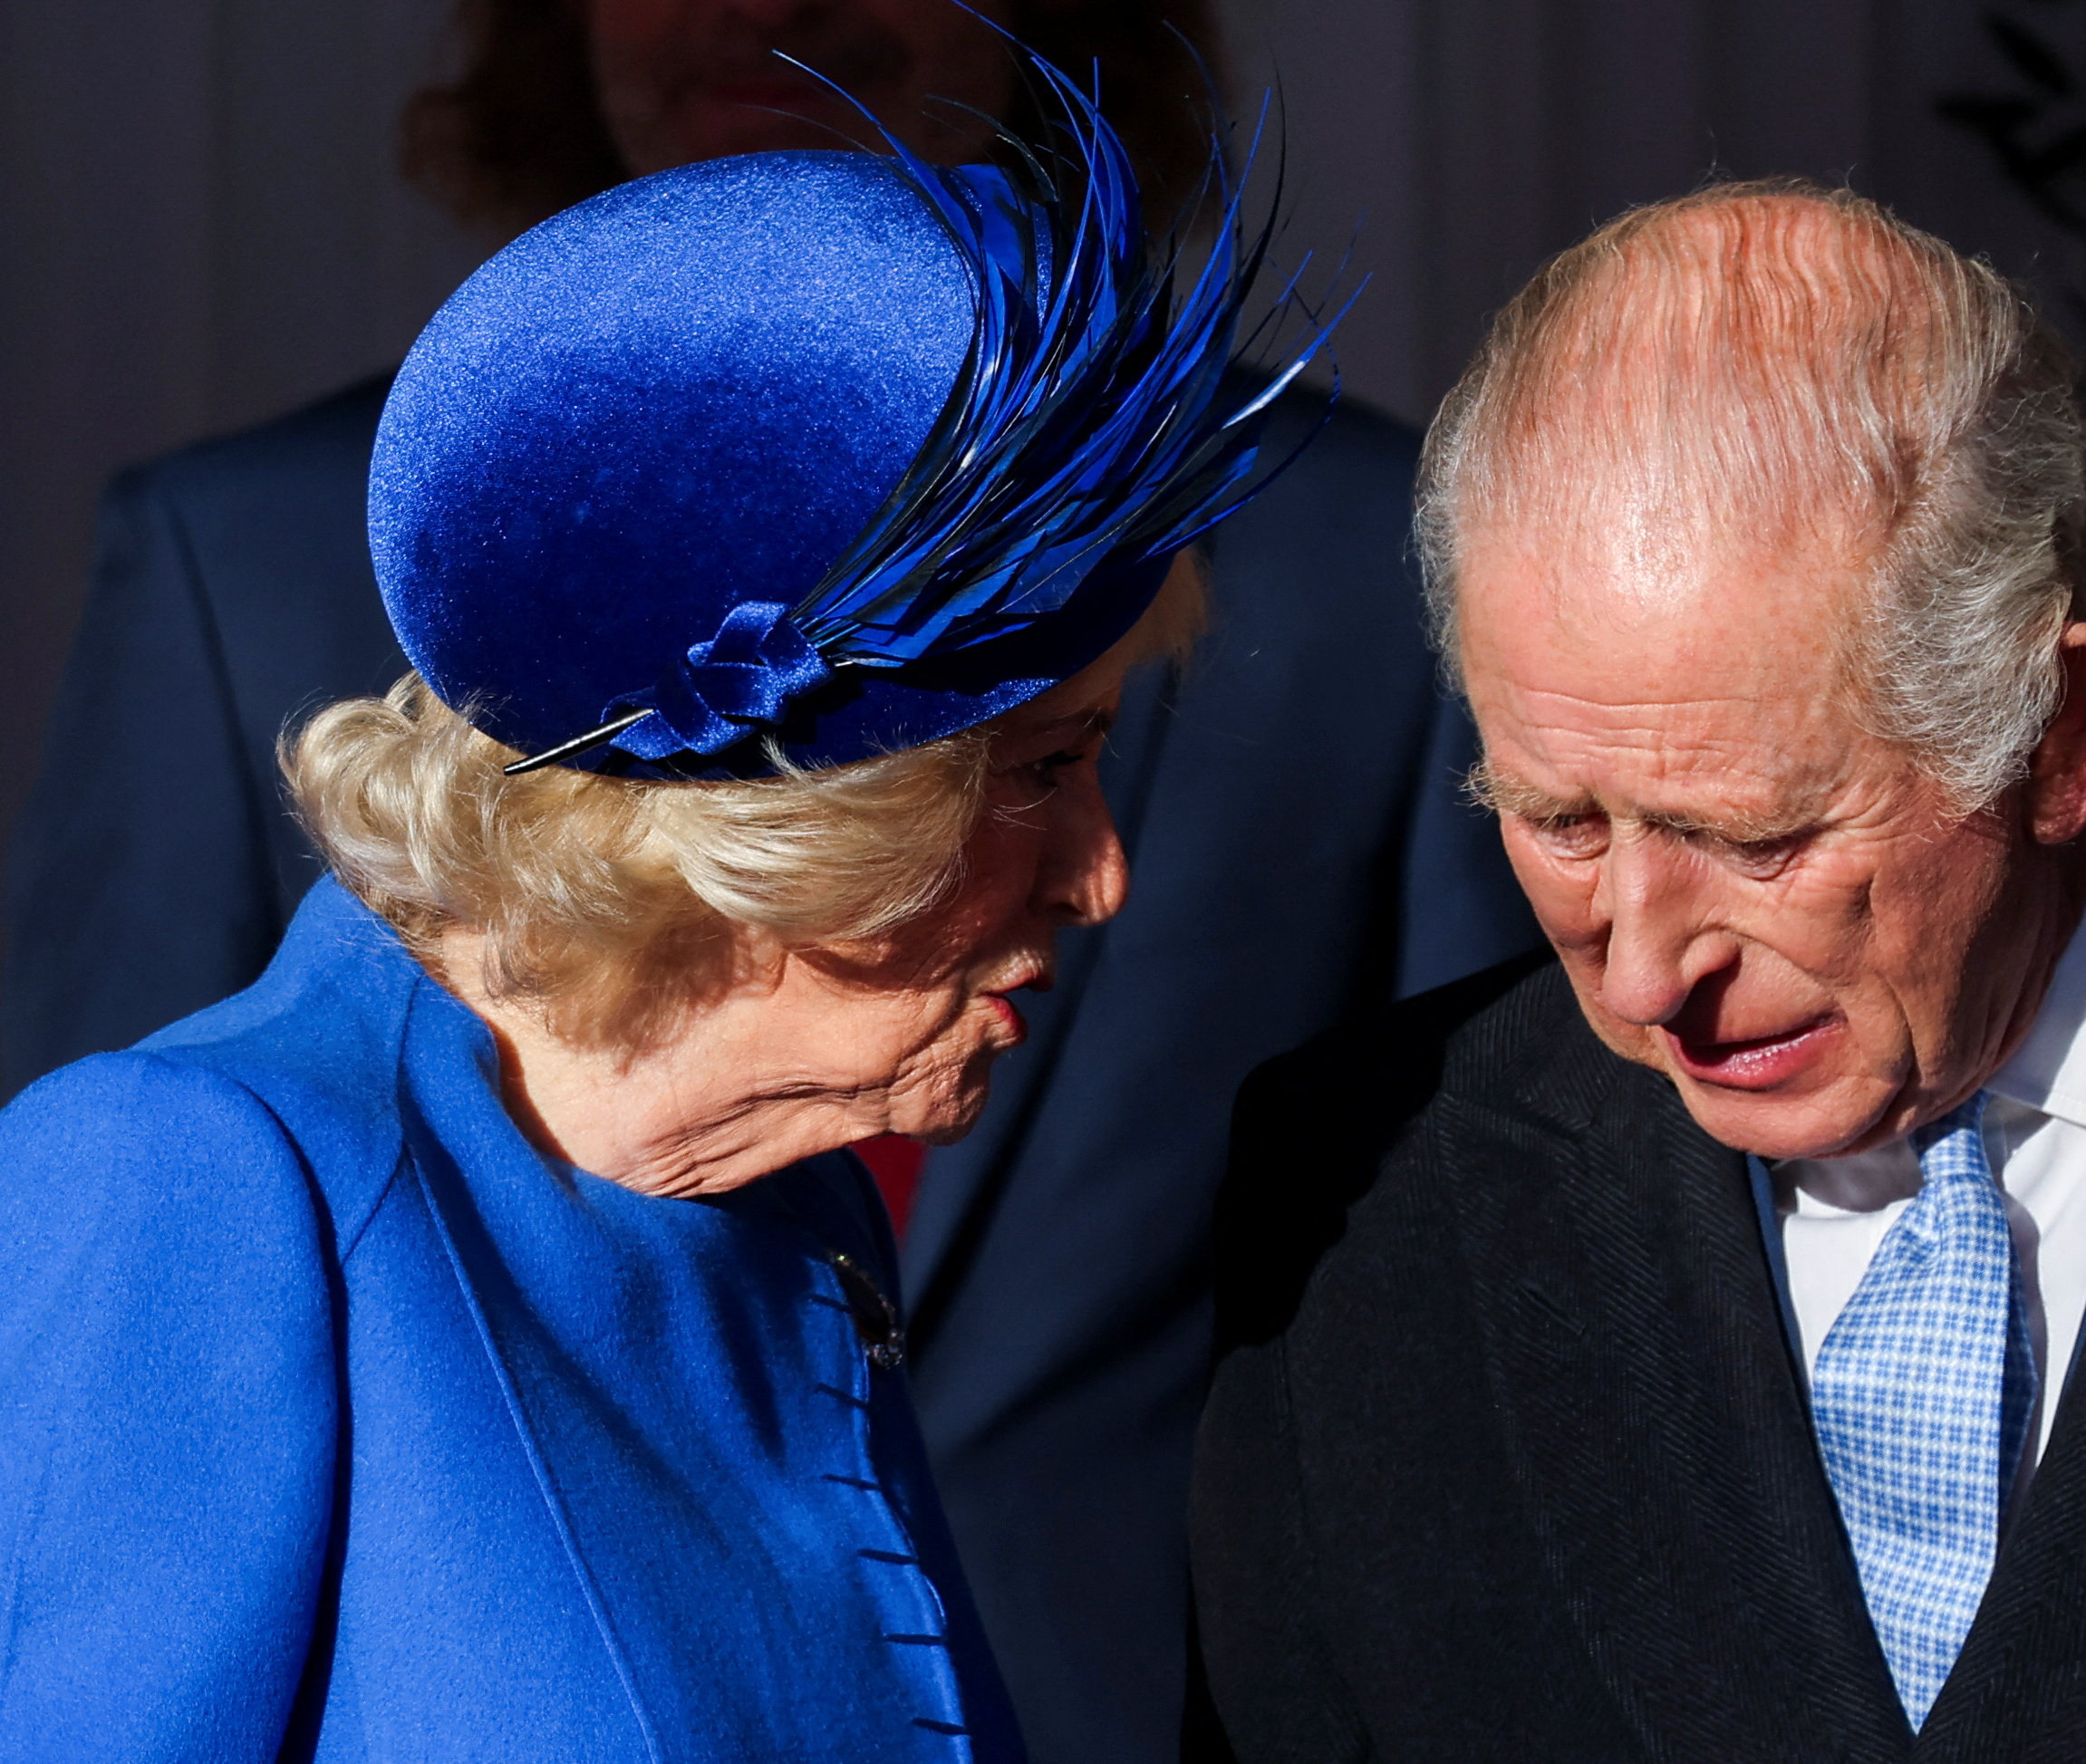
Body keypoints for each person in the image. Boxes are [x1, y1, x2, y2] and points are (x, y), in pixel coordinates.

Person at [0, 3, 1533, 1758]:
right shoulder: (194, 1175)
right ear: (769, 807)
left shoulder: (783, 1210)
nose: (1103, 876)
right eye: (1037, 769)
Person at [1191, 180, 2086, 1760]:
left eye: (1755, 841)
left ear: (2057, 736)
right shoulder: (1359, 1198)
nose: (1643, 971)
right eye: (1553, 818)